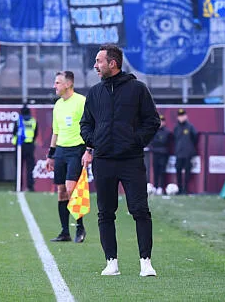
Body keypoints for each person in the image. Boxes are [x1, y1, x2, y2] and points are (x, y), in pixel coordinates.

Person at [80, 44, 161, 277]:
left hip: (131, 160)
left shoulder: (138, 89)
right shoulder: (95, 93)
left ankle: (146, 262)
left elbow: (152, 122)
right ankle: (111, 263)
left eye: (99, 61)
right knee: (105, 213)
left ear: (112, 63)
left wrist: (136, 141)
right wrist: (95, 140)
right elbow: (86, 123)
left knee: (140, 210)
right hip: (103, 160)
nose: (95, 65)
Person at [45, 71, 88, 243]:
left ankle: (80, 226)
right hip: (61, 151)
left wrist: (88, 149)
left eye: (57, 83)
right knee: (61, 192)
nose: (54, 86)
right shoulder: (58, 105)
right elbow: (55, 132)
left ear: (68, 84)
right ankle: (65, 232)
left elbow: (89, 125)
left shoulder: (81, 101)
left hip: (76, 149)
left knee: (72, 189)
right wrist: (51, 154)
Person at [12, 103, 38, 192]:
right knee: (29, 167)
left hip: (20, 146)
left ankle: (18, 186)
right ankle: (30, 187)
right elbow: (35, 134)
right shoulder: (33, 121)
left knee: (19, 167)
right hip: (30, 146)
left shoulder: (19, 121)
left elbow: (14, 132)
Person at [173, 109, 199, 195]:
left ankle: (185, 189)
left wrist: (190, 147)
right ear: (178, 117)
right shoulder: (176, 127)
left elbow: (195, 137)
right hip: (179, 153)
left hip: (188, 153)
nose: (181, 117)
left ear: (186, 116)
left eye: (183, 115)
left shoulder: (190, 126)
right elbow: (175, 139)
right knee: (178, 171)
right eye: (180, 116)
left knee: (187, 172)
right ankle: (179, 189)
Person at [148, 115, 172, 195]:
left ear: (164, 122)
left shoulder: (167, 132)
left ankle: (161, 187)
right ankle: (155, 186)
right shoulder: (153, 131)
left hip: (163, 154)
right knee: (155, 171)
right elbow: (152, 142)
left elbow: (164, 142)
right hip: (155, 154)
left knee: (162, 171)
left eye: (162, 121)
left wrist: (158, 144)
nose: (160, 123)